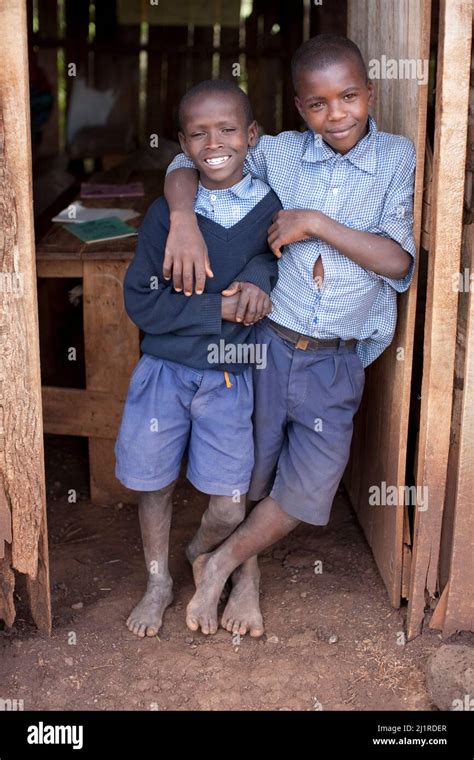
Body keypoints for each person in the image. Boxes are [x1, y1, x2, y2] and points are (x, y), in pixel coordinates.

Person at [163, 35, 416, 635]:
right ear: (299, 109)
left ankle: (218, 561)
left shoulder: (396, 159)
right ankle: (243, 583)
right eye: (318, 103)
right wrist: (181, 221)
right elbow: (186, 163)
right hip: (271, 344)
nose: (337, 114)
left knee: (308, 489)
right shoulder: (277, 153)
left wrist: (316, 224)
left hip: (339, 358)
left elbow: (400, 262)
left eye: (349, 96)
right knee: (252, 472)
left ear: (369, 94)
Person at [115, 80, 281, 638]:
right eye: (199, 133)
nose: (215, 142)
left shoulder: (269, 205)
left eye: (229, 129)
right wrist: (221, 310)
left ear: (252, 135)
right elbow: (141, 300)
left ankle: (207, 551)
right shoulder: (168, 214)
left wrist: (258, 278)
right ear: (183, 146)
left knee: (230, 503)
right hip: (163, 372)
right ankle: (159, 579)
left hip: (230, 375)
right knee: (154, 483)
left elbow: (271, 258)